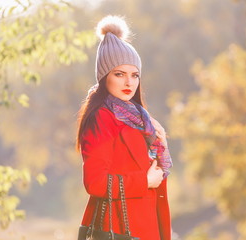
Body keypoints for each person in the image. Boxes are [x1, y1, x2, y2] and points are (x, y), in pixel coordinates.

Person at [76, 15, 173, 240]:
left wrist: (162, 145)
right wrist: (144, 181)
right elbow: (95, 183)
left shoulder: (140, 119)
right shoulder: (101, 117)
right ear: (104, 77)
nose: (129, 83)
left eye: (134, 75)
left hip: (146, 226)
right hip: (119, 228)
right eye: (119, 74)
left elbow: (153, 172)